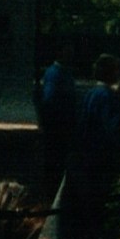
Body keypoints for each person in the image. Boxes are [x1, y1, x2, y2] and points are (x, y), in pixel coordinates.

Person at [70, 53, 120, 239]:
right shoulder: (106, 96)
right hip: (100, 158)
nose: (118, 74)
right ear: (109, 72)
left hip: (87, 156)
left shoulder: (92, 92)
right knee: (98, 203)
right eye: (116, 70)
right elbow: (113, 128)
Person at [37, 42, 76, 199]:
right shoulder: (55, 73)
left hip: (62, 124)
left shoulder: (63, 72)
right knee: (55, 161)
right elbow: (49, 100)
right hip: (57, 126)